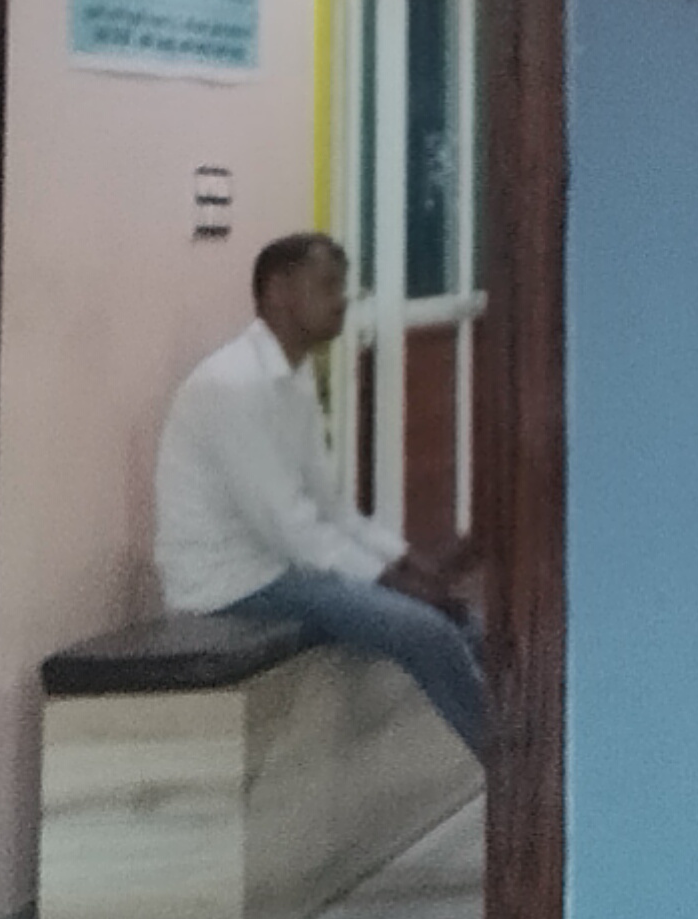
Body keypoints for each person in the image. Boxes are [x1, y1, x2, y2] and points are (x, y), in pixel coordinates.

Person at [152, 232, 489, 755]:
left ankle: (530, 752)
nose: (342, 300)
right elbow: (289, 527)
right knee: (425, 632)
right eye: (328, 286)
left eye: (342, 286)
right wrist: (390, 581)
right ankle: (512, 770)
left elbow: (331, 509)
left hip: (284, 571)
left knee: (464, 620)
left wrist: (408, 563)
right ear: (279, 292)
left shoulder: (295, 374)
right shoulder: (232, 385)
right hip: (232, 587)